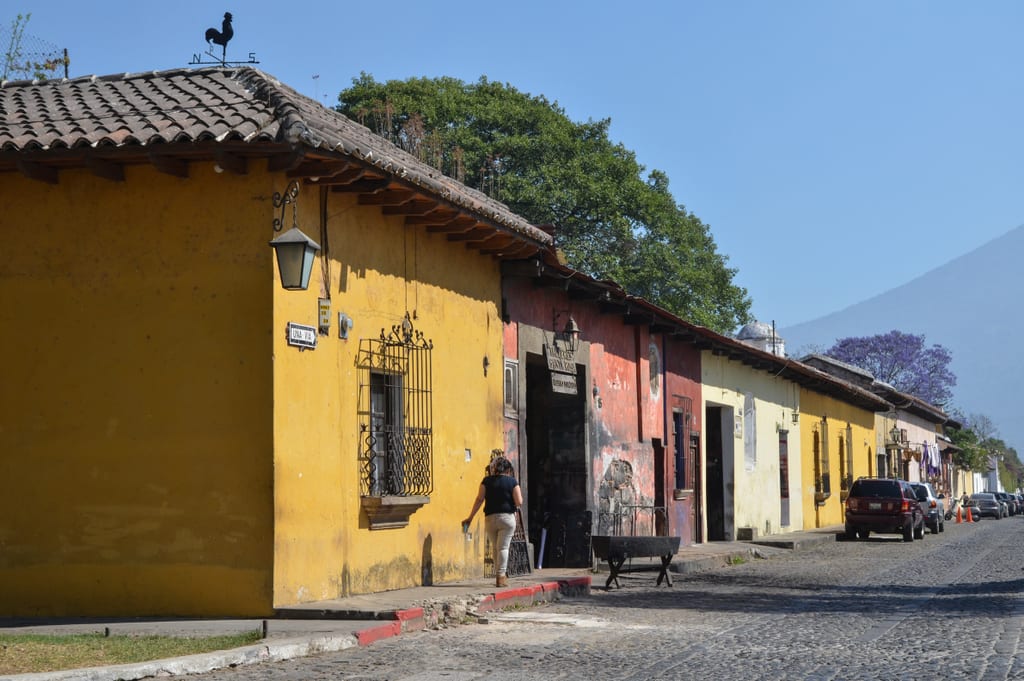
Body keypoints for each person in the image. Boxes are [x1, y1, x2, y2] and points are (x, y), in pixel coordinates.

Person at [463, 456, 523, 587]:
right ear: (508, 470)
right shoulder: (512, 482)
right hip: (507, 518)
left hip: (490, 518)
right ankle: (501, 577)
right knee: (503, 547)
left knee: (496, 548)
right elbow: (519, 501)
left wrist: (470, 517)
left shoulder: (486, 481)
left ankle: (499, 575)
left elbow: (479, 499)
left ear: (494, 469)